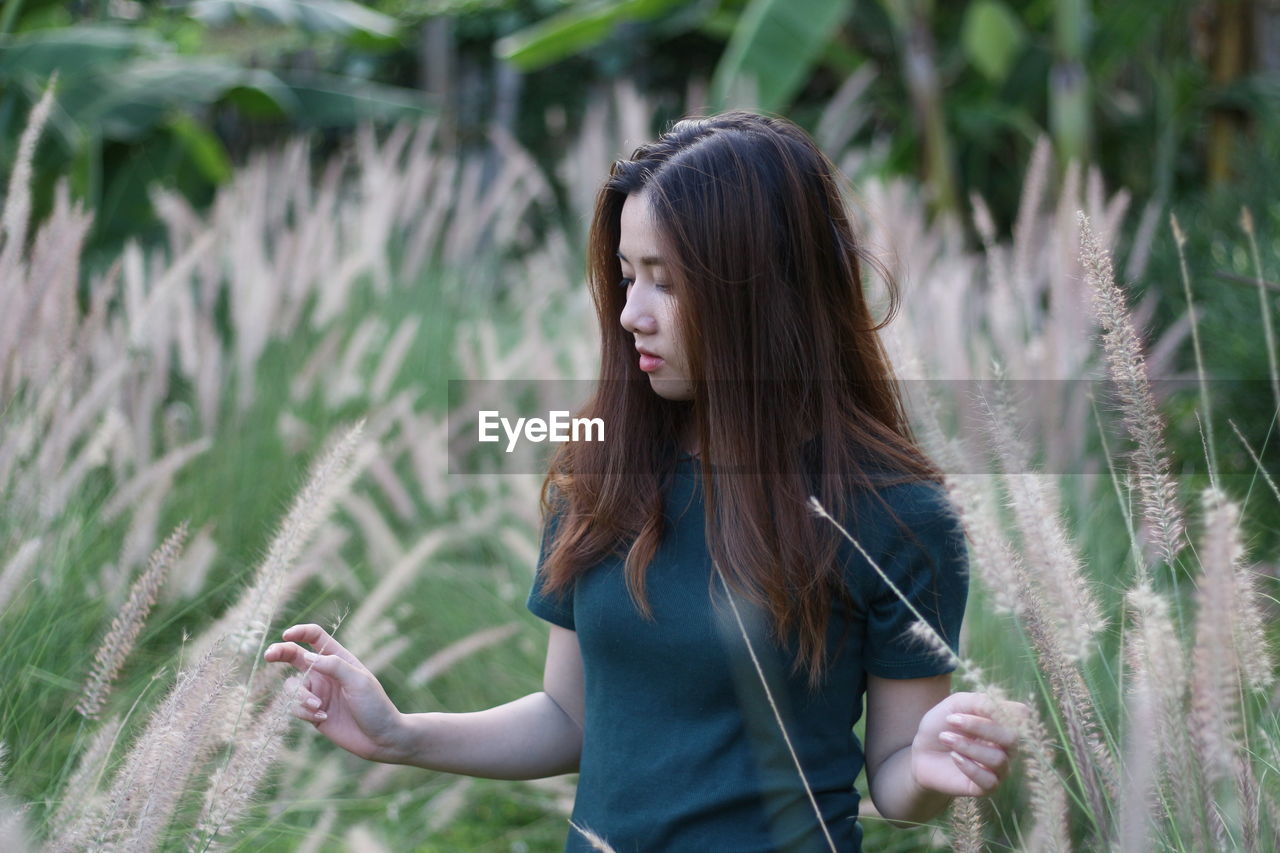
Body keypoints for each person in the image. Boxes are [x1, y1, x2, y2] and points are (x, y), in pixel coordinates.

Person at [265, 110, 1028, 852]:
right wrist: (400, 732)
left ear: (762, 289)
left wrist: (932, 769)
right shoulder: (601, 472)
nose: (631, 313)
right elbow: (572, 717)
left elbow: (895, 777)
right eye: (627, 277)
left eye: (664, 281)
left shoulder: (895, 512)